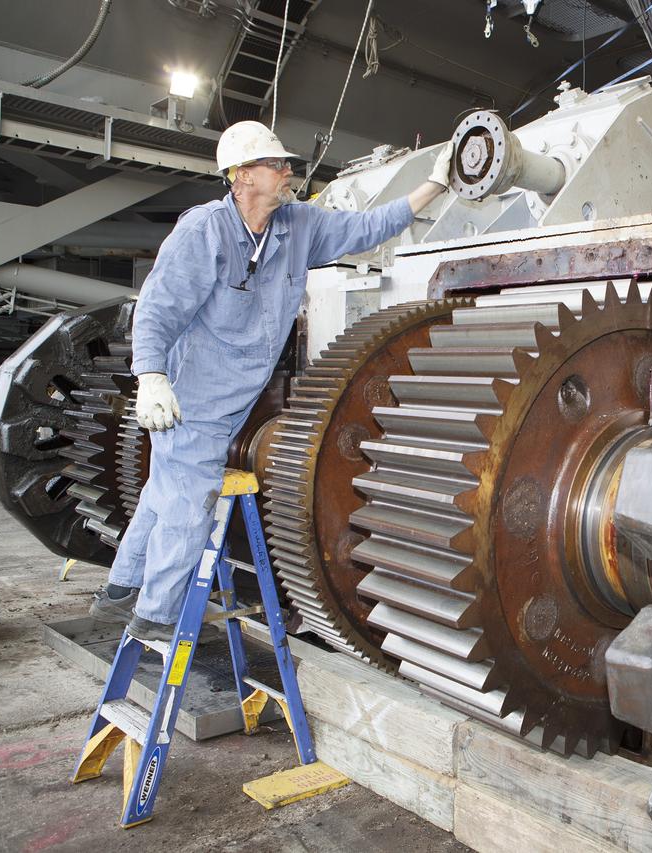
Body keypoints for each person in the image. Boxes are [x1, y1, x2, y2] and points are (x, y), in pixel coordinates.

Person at [90, 121, 453, 641]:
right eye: (276, 165)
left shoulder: (298, 226)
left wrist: (432, 186)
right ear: (241, 176)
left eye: (286, 164)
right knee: (188, 504)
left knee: (163, 493)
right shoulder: (204, 232)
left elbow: (367, 227)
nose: (288, 172)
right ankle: (157, 617)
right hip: (191, 398)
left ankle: (120, 592)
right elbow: (157, 310)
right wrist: (150, 376)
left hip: (240, 398)